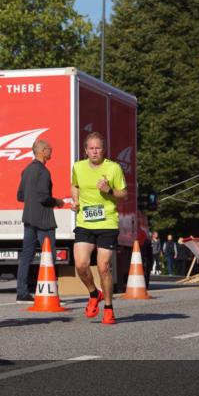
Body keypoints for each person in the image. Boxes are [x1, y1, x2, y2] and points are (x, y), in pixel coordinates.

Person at [71, 132, 127, 324]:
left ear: (103, 150)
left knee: (103, 267)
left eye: (98, 148)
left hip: (107, 223)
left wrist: (109, 190)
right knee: (80, 264)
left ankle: (109, 308)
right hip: (84, 222)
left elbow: (124, 194)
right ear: (85, 150)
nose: (94, 151)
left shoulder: (113, 168)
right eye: (91, 148)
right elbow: (75, 185)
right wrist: (76, 201)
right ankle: (94, 294)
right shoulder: (78, 167)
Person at [15, 138, 64, 302]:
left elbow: (20, 196)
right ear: (42, 151)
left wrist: (32, 200)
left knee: (26, 257)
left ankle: (22, 293)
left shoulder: (26, 170)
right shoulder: (43, 171)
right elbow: (44, 197)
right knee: (49, 257)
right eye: (49, 148)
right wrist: (57, 202)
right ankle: (51, 293)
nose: (51, 151)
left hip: (28, 219)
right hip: (44, 221)